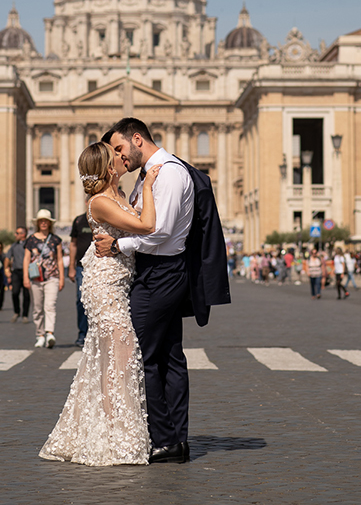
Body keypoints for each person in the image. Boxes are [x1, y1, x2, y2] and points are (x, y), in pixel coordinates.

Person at [96, 117, 230, 465]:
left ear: (137, 139)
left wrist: (117, 245)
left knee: (143, 357)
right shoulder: (151, 174)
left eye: (121, 149)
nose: (119, 158)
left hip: (159, 273)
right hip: (163, 272)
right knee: (170, 357)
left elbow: (160, 232)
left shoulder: (168, 173)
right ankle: (177, 439)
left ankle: (164, 439)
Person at [40, 141, 158, 465]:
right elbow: (147, 225)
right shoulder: (101, 202)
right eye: (117, 156)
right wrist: (148, 186)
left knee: (108, 360)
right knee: (122, 354)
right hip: (104, 286)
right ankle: (117, 439)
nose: (123, 158)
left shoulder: (119, 196)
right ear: (108, 168)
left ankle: (103, 433)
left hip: (119, 282)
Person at [23, 210, 64, 348]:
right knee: (38, 308)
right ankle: (39, 334)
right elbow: (26, 259)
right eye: (41, 221)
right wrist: (25, 277)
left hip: (52, 277)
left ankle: (49, 333)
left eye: (46, 221)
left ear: (50, 223)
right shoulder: (31, 239)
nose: (44, 223)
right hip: (36, 278)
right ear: (38, 223)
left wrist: (62, 278)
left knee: (50, 305)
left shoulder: (56, 239)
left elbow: (59, 260)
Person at [68, 210, 93, 346]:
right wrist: (71, 266)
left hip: (99, 265)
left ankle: (95, 333)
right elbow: (73, 244)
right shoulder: (79, 220)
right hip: (81, 266)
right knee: (80, 299)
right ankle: (82, 333)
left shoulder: (103, 217)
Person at [5, 226, 30, 323]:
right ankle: (16, 311)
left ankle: (25, 315)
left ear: (23, 234)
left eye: (17, 233)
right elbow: (7, 257)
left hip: (27, 272)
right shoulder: (13, 246)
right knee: (15, 292)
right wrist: (6, 269)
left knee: (26, 294)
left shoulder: (29, 245)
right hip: (16, 271)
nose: (15, 235)